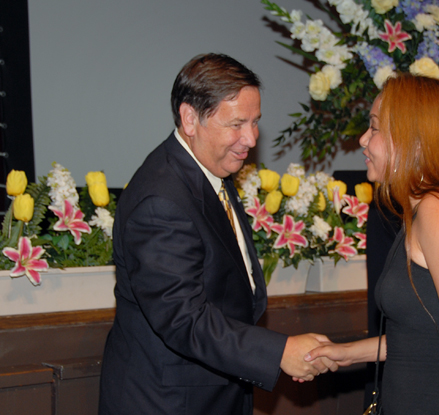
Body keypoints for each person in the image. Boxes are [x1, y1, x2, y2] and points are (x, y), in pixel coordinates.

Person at [99, 53, 335, 415]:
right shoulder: (161, 200)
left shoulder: (209, 170)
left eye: (255, 122)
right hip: (168, 403)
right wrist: (278, 353)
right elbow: (183, 318)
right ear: (190, 118)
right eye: (236, 124)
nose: (251, 138)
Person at [306, 74, 439, 414]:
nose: (363, 139)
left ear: (412, 139)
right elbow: (423, 338)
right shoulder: (424, 209)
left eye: (374, 128)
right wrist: (346, 353)